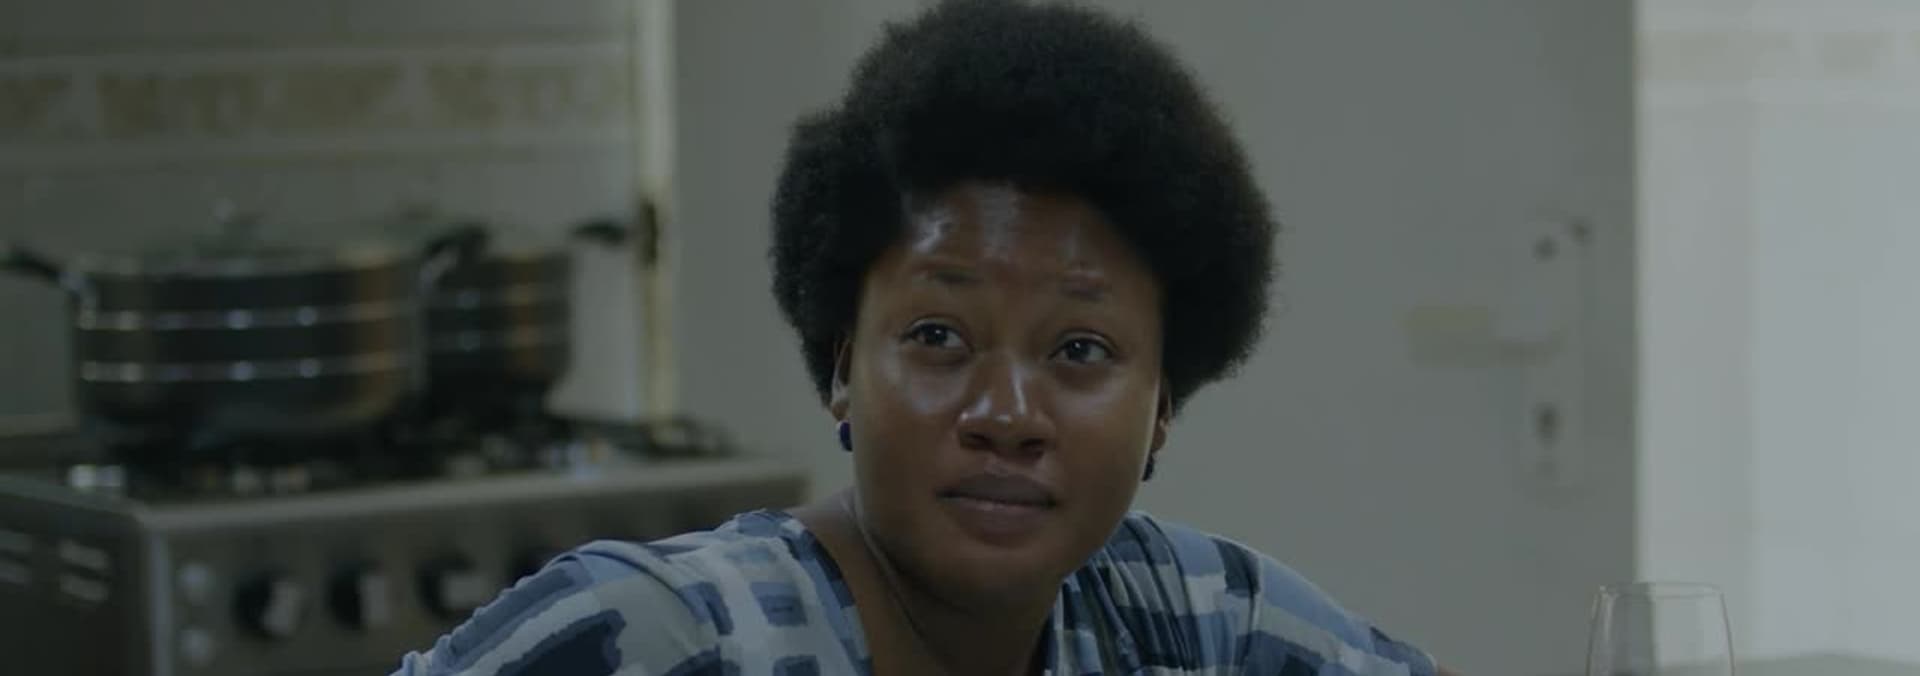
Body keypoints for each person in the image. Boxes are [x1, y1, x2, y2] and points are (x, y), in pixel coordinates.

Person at [392, 1, 1455, 674]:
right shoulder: (664, 636)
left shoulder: (1195, 623)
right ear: (843, 367)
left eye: (1080, 351)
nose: (1007, 416)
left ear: (1163, 404)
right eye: (940, 334)